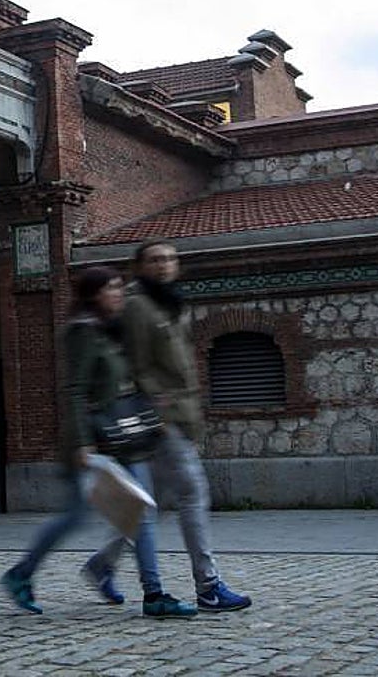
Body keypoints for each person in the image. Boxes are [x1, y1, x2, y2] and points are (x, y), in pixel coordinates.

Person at [1, 267, 191, 617]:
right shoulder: (83, 332)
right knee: (75, 517)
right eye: (110, 289)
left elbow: (126, 382)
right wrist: (82, 444)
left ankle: (154, 595)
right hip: (91, 444)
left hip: (124, 439)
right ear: (92, 295)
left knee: (142, 511)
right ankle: (20, 574)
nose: (118, 294)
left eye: (120, 287)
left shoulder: (113, 331)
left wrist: (154, 412)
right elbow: (74, 390)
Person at [125, 239, 252, 612]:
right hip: (163, 418)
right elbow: (137, 364)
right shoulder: (138, 306)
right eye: (155, 259)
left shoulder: (171, 302)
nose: (164, 264)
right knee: (192, 493)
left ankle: (102, 565)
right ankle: (208, 586)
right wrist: (158, 414)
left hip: (183, 414)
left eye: (169, 258)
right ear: (140, 267)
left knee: (150, 500)